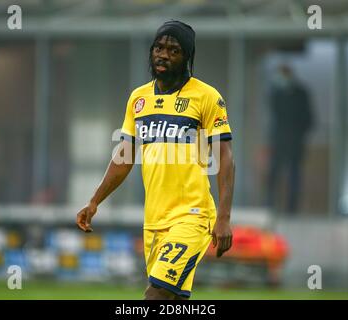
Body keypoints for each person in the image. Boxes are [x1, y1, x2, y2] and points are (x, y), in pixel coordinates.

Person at [76, 20, 235, 300]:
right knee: (171, 299)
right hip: (154, 220)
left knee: (155, 295)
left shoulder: (206, 97)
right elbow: (124, 157)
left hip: (193, 216)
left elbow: (226, 159)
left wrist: (223, 218)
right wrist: (94, 200)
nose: (163, 54)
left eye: (173, 50)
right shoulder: (139, 99)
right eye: (158, 47)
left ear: (187, 57)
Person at [266, 64, 313, 214]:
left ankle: (292, 209)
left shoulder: (301, 93)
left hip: (294, 141)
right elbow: (273, 117)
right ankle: (270, 205)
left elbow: (309, 119)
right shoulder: (276, 94)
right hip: (278, 141)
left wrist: (298, 135)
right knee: (274, 173)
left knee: (294, 174)